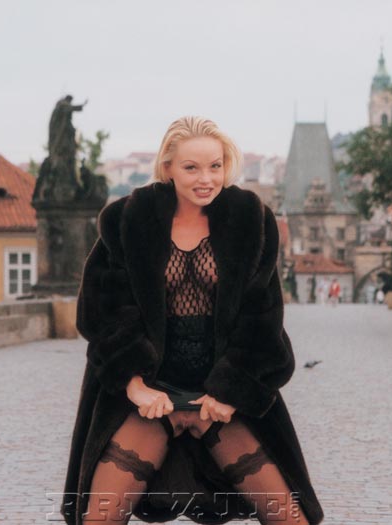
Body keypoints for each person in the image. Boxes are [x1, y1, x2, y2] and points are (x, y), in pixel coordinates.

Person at [62, 116, 325, 525]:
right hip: (150, 391)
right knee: (99, 518)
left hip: (220, 393)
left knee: (290, 518)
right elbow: (102, 312)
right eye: (192, 167)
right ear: (168, 167)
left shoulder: (250, 221)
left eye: (215, 166)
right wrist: (134, 385)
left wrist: (230, 392)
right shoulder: (128, 220)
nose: (206, 179)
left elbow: (263, 320)